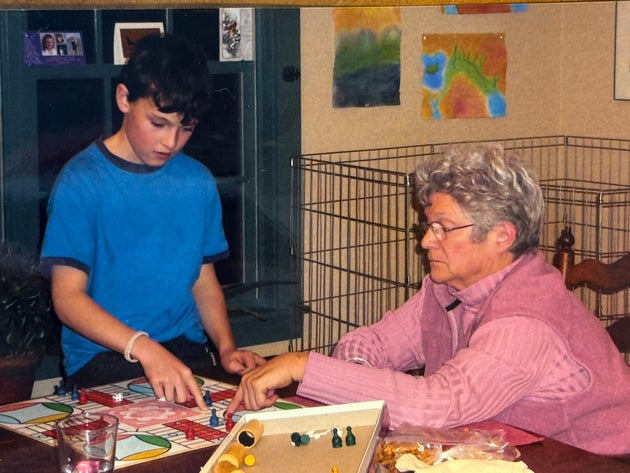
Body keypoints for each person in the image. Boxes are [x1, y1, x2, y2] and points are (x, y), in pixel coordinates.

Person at [227, 143, 630, 455]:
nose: (425, 241)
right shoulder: (448, 288)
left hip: (592, 462)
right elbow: (371, 343)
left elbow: (436, 405)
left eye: (443, 228)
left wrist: (303, 365)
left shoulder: (526, 322)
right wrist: (355, 379)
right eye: (427, 225)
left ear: (501, 236)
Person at [41, 34, 265, 410]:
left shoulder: (196, 181)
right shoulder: (81, 182)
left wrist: (225, 348)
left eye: (186, 127)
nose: (171, 142)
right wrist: (143, 348)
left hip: (183, 346)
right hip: (102, 356)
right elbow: (67, 299)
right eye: (158, 123)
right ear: (124, 99)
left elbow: (202, 277)